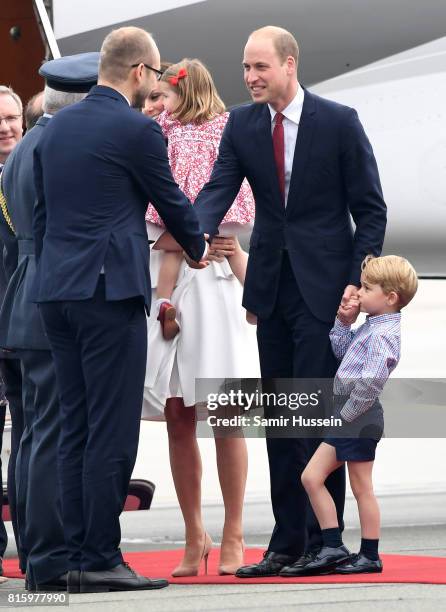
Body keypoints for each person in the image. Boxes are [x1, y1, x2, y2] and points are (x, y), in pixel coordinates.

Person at [193, 26, 387, 577]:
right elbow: (217, 190)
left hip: (328, 293)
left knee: (317, 414)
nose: (250, 77)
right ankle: (287, 540)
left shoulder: (339, 122)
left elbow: (370, 209)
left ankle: (327, 541)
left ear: (289, 64)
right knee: (281, 417)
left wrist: (356, 282)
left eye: (259, 67)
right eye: (245, 68)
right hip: (272, 288)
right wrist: (192, 234)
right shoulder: (242, 124)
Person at [32, 27, 207, 594]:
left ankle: (71, 558)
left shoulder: (51, 132)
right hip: (108, 293)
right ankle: (99, 556)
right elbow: (171, 200)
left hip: (56, 293)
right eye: (155, 76)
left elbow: (39, 220)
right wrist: (199, 247)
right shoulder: (137, 128)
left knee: (75, 426)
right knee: (110, 428)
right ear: (139, 72)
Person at [142, 59, 260, 577]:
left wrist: (204, 240)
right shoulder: (154, 134)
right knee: (176, 415)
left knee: (228, 414)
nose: (155, 105)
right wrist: (182, 239)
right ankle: (195, 533)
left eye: (162, 96)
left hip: (214, 282)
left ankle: (234, 532)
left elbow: (229, 224)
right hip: (170, 273)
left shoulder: (227, 131)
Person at [0, 54, 102, 592]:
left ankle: (39, 556)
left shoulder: (27, 148)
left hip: (21, 303)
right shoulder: (58, 145)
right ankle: (50, 558)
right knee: (51, 434)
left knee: (33, 437)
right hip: (50, 302)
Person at [298, 255, 418, 575]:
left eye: (367, 288)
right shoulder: (372, 328)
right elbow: (343, 353)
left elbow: (370, 382)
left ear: (390, 297)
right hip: (353, 415)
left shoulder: (382, 335)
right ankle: (337, 546)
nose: (359, 293)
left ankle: (365, 553)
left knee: (356, 485)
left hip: (358, 416)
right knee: (317, 478)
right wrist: (344, 323)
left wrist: (345, 416)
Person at [145, 59, 255, 339]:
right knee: (231, 248)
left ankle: (164, 301)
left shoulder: (171, 123)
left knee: (174, 248)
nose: (164, 104)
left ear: (183, 95)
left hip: (184, 200)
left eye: (166, 96)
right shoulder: (223, 122)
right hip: (219, 201)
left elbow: (147, 133)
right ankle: (256, 298)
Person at [0, 84, 24, 579]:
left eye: (13, 118)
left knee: (29, 436)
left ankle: (33, 543)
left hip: (22, 322)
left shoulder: (35, 170)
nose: (5, 128)